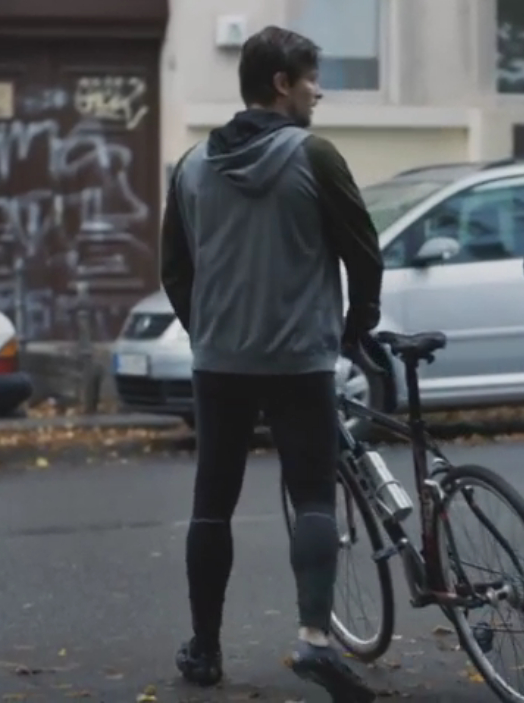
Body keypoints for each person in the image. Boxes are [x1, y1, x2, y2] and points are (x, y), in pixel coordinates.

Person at [159, 25, 382, 703]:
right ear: (281, 84)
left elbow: (175, 269)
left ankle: (204, 648)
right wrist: (354, 329)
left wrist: (208, 330)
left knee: (212, 503)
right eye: (311, 79)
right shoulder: (315, 156)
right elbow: (363, 251)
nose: (319, 91)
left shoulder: (192, 165)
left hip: (220, 362)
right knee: (312, 495)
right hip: (300, 359)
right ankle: (315, 638)